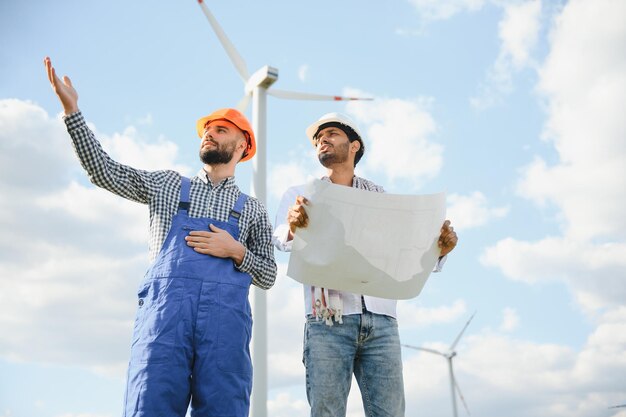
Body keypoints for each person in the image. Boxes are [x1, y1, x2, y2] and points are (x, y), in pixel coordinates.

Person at [44, 57, 277, 417]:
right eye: (207, 130)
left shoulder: (253, 210)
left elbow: (268, 275)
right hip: (165, 321)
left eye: (220, 130)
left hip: (224, 331)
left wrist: (236, 251)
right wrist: (72, 112)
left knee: (224, 408)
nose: (208, 134)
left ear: (244, 144)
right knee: (149, 404)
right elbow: (104, 172)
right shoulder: (167, 185)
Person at [272, 112, 458, 417]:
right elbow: (281, 239)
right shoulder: (299, 194)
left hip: (382, 321)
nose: (322, 141)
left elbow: (401, 250)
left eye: (331, 134)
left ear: (354, 145)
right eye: (318, 139)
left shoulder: (379, 196)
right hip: (327, 321)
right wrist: (295, 226)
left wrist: (440, 250)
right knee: (327, 412)